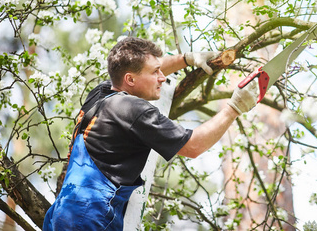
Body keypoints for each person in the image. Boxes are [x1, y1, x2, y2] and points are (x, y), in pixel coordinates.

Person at [43, 37, 258, 231]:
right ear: (131, 80)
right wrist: (234, 107)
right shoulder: (133, 109)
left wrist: (187, 58)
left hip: (61, 215)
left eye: (160, 70)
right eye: (155, 72)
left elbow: (135, 69)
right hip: (89, 220)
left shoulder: (101, 94)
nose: (163, 78)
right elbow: (193, 146)